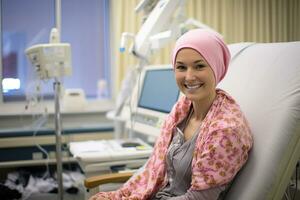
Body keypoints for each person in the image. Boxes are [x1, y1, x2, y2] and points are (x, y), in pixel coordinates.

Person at [90, 29, 253, 200]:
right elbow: (152, 169)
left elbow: (200, 198)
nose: (189, 77)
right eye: (181, 67)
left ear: (216, 67)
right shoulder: (182, 109)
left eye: (199, 66)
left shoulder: (226, 130)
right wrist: (117, 196)